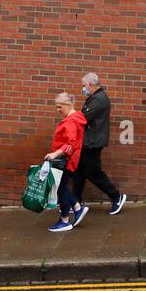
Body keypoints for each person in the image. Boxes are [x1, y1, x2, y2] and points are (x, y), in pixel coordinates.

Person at [71, 74, 127, 216]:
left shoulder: (98, 99)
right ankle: (75, 202)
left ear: (91, 84)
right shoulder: (96, 98)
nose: (83, 88)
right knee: (79, 172)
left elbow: (83, 119)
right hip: (89, 141)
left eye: (84, 86)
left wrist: (70, 113)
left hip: (92, 142)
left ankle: (116, 196)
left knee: (93, 172)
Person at [44, 92, 88, 233]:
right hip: (70, 159)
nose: (58, 110)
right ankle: (77, 208)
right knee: (62, 187)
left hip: (66, 160)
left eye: (59, 107)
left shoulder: (70, 122)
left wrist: (55, 154)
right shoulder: (76, 118)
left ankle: (64, 220)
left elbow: (70, 144)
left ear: (68, 105)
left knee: (60, 189)